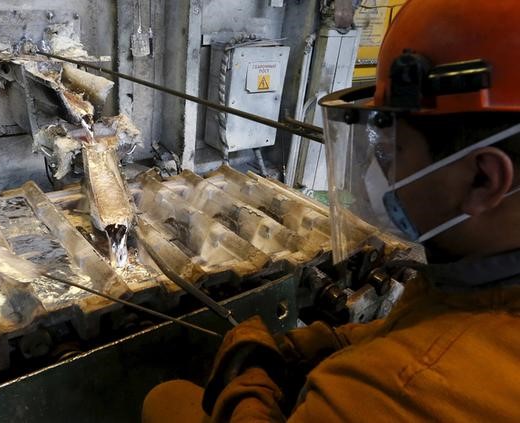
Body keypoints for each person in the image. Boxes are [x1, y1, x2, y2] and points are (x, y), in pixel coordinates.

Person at [142, 0, 520, 421]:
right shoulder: (481, 286)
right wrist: (323, 344)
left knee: (167, 400)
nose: (381, 169)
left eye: (394, 150)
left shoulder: (395, 391)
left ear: (483, 179)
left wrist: (248, 378)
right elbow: (422, 321)